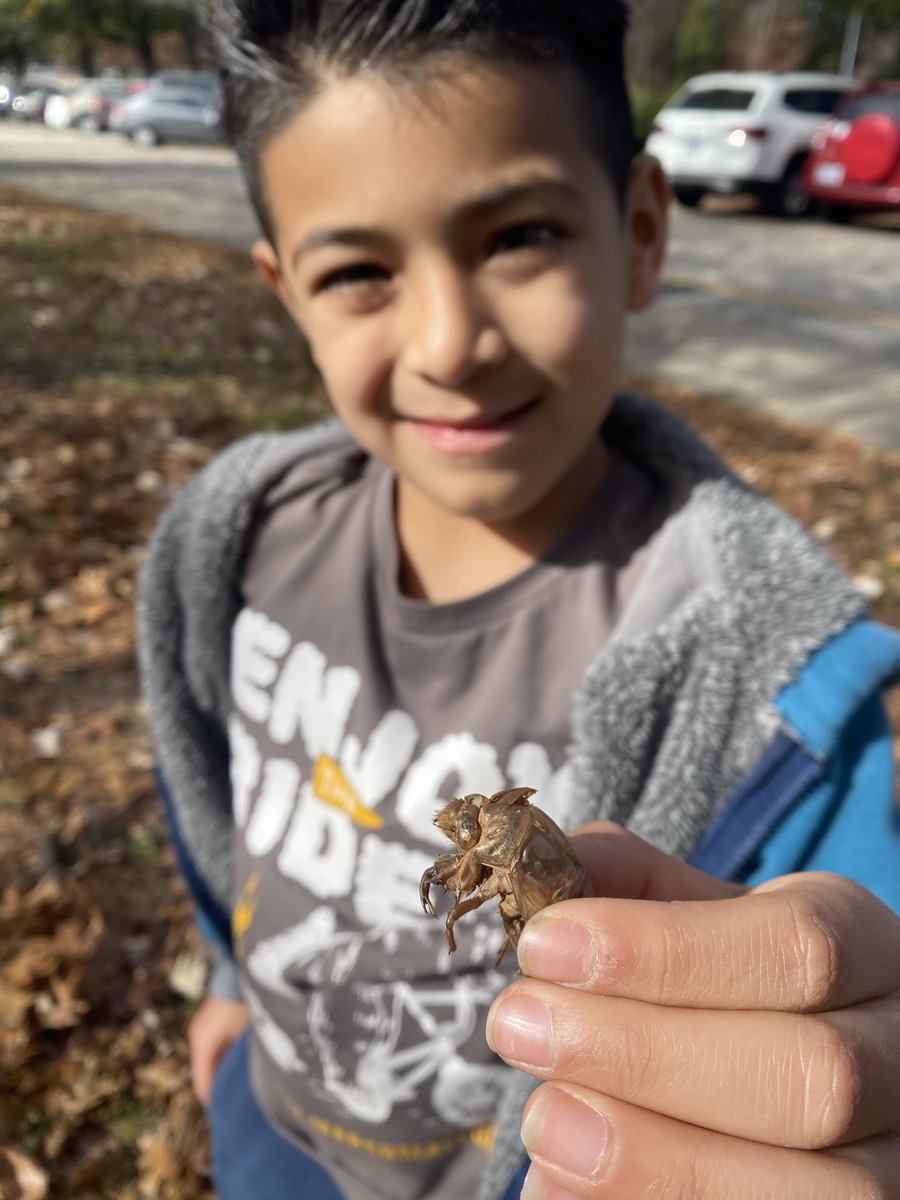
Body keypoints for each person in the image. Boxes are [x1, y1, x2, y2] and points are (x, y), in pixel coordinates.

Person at [136, 2, 900, 1198]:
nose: (449, 342)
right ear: (287, 294)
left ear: (642, 231)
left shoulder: (778, 697)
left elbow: (850, 957)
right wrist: (229, 981)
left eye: (520, 235)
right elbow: (206, 804)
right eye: (359, 272)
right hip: (272, 1132)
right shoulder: (233, 547)